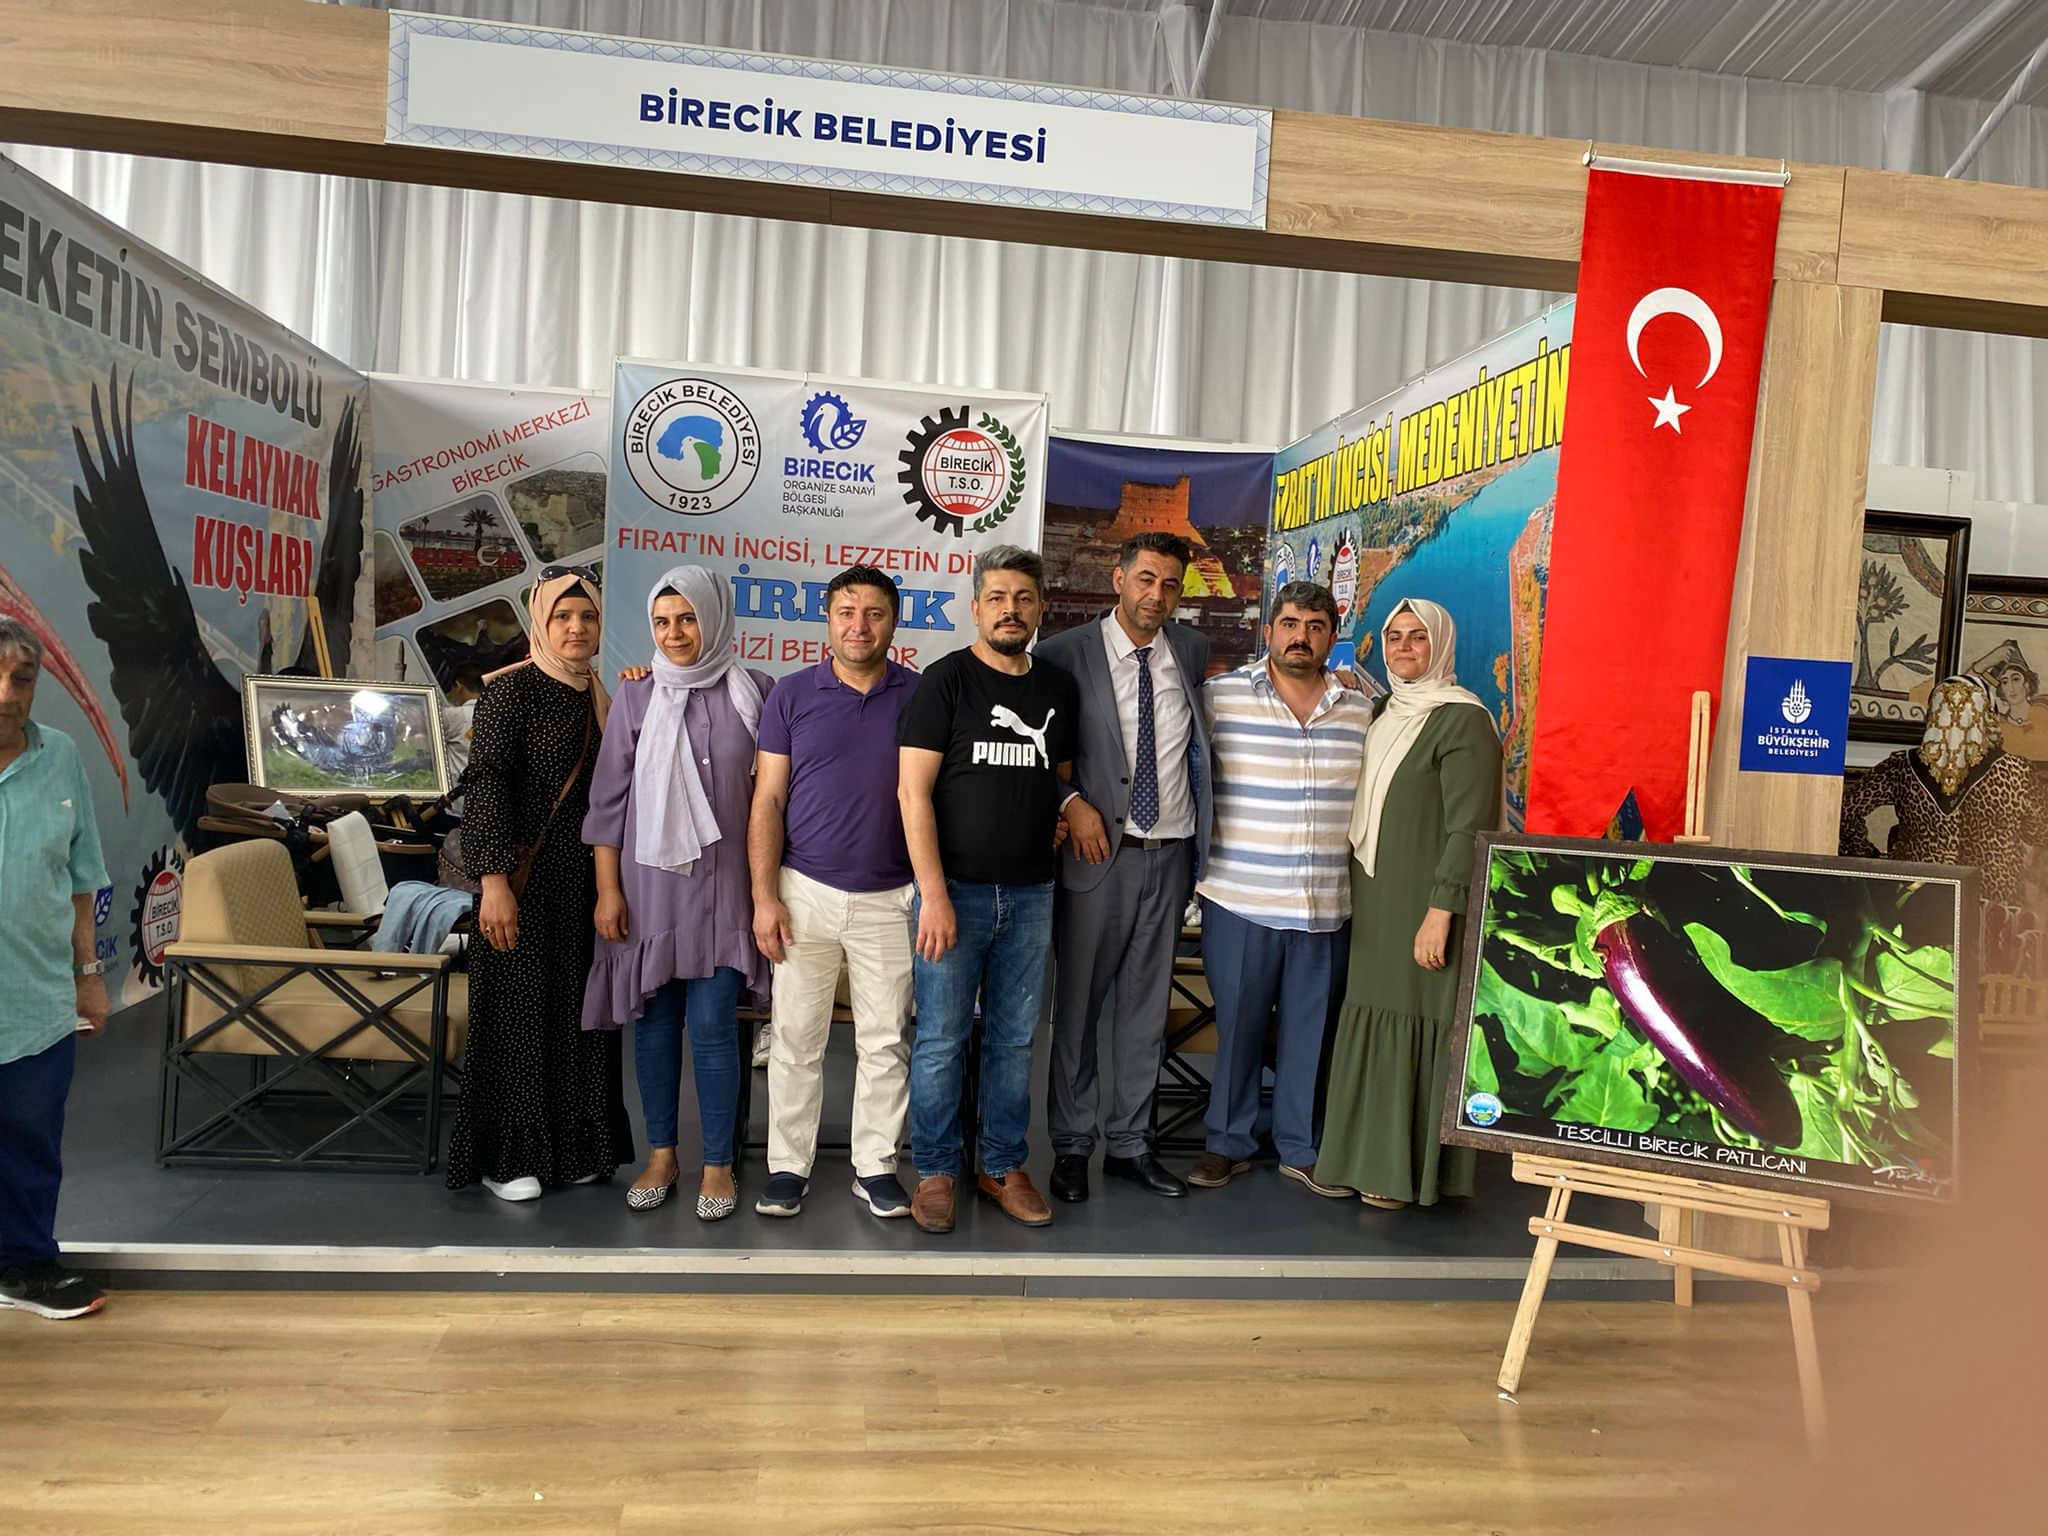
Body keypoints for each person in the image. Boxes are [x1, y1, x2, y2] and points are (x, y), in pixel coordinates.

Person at [897, 545, 1084, 1234]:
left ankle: (1002, 1165)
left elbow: (1056, 775)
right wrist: (934, 894)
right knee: (941, 1041)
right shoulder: (944, 682)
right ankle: (936, 1170)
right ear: (975, 607)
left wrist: (1061, 813)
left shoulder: (1057, 688)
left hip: (1032, 895)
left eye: (1024, 598)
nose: (1011, 610)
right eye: (998, 598)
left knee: (1014, 1042)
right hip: (955, 895)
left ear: (1040, 609)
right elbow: (912, 795)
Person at [584, 566, 773, 1221]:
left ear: (714, 618)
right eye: (662, 622)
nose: (674, 634)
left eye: (688, 618)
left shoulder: (759, 691)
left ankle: (718, 1164)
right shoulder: (636, 696)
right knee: (655, 1026)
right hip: (649, 892)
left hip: (727, 890)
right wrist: (607, 891)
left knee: (716, 1027)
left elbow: (776, 796)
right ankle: (661, 1156)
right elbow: (608, 805)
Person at [1036, 531, 1212, 1202]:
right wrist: (1069, 800)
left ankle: (1131, 1144)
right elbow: (1035, 753)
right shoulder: (1062, 653)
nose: (1156, 595)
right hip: (1095, 857)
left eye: (1169, 584)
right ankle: (1072, 1145)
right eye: (1145, 579)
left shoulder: (1189, 650)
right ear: (1118, 579)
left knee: (1144, 1011)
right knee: (1078, 1010)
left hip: (1169, 857)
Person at [446, 570, 631, 1202]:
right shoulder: (511, 691)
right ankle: (509, 1160)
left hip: (586, 884)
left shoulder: (600, 695)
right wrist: (494, 881)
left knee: (581, 1019)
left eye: (588, 616)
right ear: (540, 624)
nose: (576, 628)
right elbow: (487, 786)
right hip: (521, 883)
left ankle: (576, 1149)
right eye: (562, 617)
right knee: (518, 1019)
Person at [1187, 582, 1372, 1199]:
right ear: (1268, 631)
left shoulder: (1359, 712)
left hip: (1326, 904)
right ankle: (1227, 1143)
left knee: (1311, 1034)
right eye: (1290, 624)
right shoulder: (1222, 698)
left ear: (1331, 637)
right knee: (1238, 1028)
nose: (1301, 637)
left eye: (1315, 626)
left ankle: (1301, 1147)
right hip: (1239, 898)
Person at [1315, 599, 1501, 1209]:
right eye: (1393, 636)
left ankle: (1402, 1173)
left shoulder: (1462, 721)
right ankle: (1359, 1160)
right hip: (1375, 897)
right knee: (1371, 1014)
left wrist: (1441, 911)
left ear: (1440, 644)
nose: (1402, 648)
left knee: (1415, 1019)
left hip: (1424, 900)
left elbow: (1470, 829)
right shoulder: (1382, 712)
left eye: (1417, 637)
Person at [749, 566, 920, 1220]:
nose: (859, 626)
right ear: (827, 619)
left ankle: (875, 1167)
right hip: (803, 891)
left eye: (874, 613)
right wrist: (765, 896)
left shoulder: (920, 696)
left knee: (885, 1040)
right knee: (795, 1038)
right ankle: (787, 1167)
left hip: (891, 896)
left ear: (894, 622)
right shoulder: (791, 695)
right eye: (847, 612)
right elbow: (767, 799)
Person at [0, 618, 111, 1320]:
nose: (6, 693)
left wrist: (89, 973)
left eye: (22, 678)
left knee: (31, 1141)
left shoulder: (61, 756)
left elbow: (80, 874)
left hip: (35, 998)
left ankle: (25, 1267)